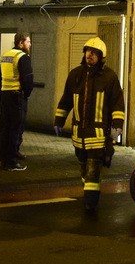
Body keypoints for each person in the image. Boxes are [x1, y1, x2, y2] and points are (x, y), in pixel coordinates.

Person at [53, 36, 125, 211]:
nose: (89, 55)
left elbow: (117, 105)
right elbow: (66, 101)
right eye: (87, 51)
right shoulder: (75, 75)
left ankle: (90, 203)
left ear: (101, 56)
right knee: (84, 170)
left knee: (93, 171)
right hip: (79, 136)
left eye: (94, 53)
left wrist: (116, 131)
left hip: (98, 137)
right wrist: (59, 120)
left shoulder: (109, 78)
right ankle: (89, 193)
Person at [0, 33, 33, 171]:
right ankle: (11, 161)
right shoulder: (23, 57)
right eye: (28, 42)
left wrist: (0, 93)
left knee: (5, 127)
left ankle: (3, 157)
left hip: (5, 96)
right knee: (16, 129)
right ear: (20, 43)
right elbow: (28, 79)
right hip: (17, 96)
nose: (30, 44)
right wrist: (26, 94)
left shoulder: (5, 56)